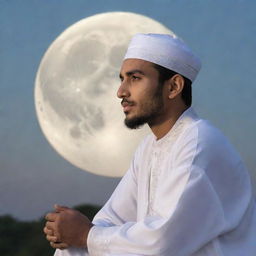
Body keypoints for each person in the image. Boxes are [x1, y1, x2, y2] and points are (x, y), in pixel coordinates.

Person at [44, 33, 256, 255]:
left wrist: (85, 235)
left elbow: (162, 243)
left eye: (135, 78)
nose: (121, 92)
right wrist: (69, 233)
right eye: (122, 79)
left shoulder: (199, 143)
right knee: (73, 249)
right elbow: (111, 220)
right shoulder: (149, 148)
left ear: (174, 87)